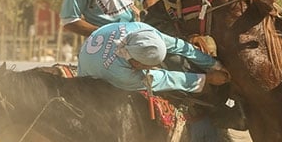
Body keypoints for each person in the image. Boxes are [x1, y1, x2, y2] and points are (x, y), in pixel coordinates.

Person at [78, 21, 230, 94]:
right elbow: (164, 78)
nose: (151, 68)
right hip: (88, 71)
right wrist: (207, 79)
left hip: (97, 39)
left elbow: (179, 45)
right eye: (147, 66)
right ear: (136, 63)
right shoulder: (121, 73)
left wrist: (214, 64)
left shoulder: (144, 30)